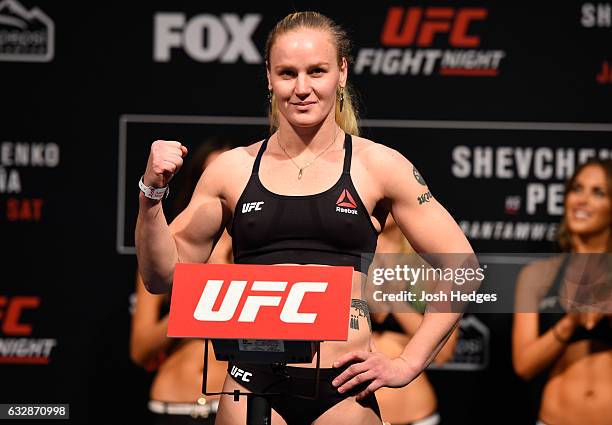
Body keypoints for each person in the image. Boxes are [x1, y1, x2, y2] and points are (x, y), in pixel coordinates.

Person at [136, 11, 475, 425]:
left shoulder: (379, 166)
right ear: (268, 77)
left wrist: (407, 362)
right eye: (287, 73)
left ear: (342, 72)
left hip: (343, 390)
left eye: (317, 71)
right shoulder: (232, 169)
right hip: (250, 384)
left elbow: (462, 267)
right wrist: (151, 196)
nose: (302, 88)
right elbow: (160, 277)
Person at [131, 139, 233, 424]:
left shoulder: (258, 248)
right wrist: (194, 308)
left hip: (233, 403)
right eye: (209, 174)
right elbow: (141, 348)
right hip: (170, 404)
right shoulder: (164, 249)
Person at [512, 159, 612, 425]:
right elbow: (524, 365)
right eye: (576, 189)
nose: (582, 200)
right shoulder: (536, 276)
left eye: (598, 192)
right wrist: (570, 323)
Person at [371, 216, 458, 425]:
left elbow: (444, 353)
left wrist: (394, 300)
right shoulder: (344, 259)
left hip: (416, 414)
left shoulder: (428, 267)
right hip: (355, 414)